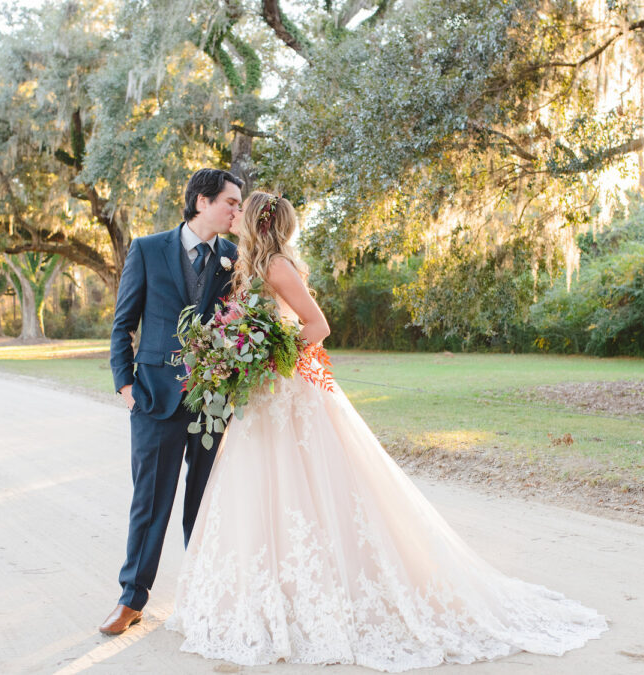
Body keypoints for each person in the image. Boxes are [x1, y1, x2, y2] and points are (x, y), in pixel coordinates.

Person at [165, 192, 608, 670]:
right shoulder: (248, 266)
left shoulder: (275, 267)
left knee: (311, 490)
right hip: (263, 397)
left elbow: (318, 326)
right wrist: (235, 351)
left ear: (254, 222)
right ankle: (265, 597)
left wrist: (267, 351)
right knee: (264, 494)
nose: (232, 216)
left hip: (289, 391)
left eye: (239, 210)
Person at [100, 168, 243, 636]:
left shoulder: (233, 257)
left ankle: (203, 595)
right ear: (202, 201)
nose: (236, 211)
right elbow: (123, 325)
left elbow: (240, 324)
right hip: (154, 399)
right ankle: (131, 599)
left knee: (204, 505)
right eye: (231, 202)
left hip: (212, 403)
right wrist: (127, 388)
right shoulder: (146, 249)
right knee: (150, 503)